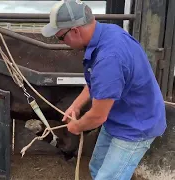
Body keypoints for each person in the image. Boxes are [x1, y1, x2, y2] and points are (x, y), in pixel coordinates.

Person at [42, 0, 167, 179]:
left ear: (75, 30)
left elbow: (97, 116)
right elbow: (97, 82)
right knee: (97, 167)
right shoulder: (106, 33)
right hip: (119, 115)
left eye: (60, 37)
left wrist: (77, 126)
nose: (62, 41)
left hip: (135, 126)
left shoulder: (109, 58)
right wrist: (76, 105)